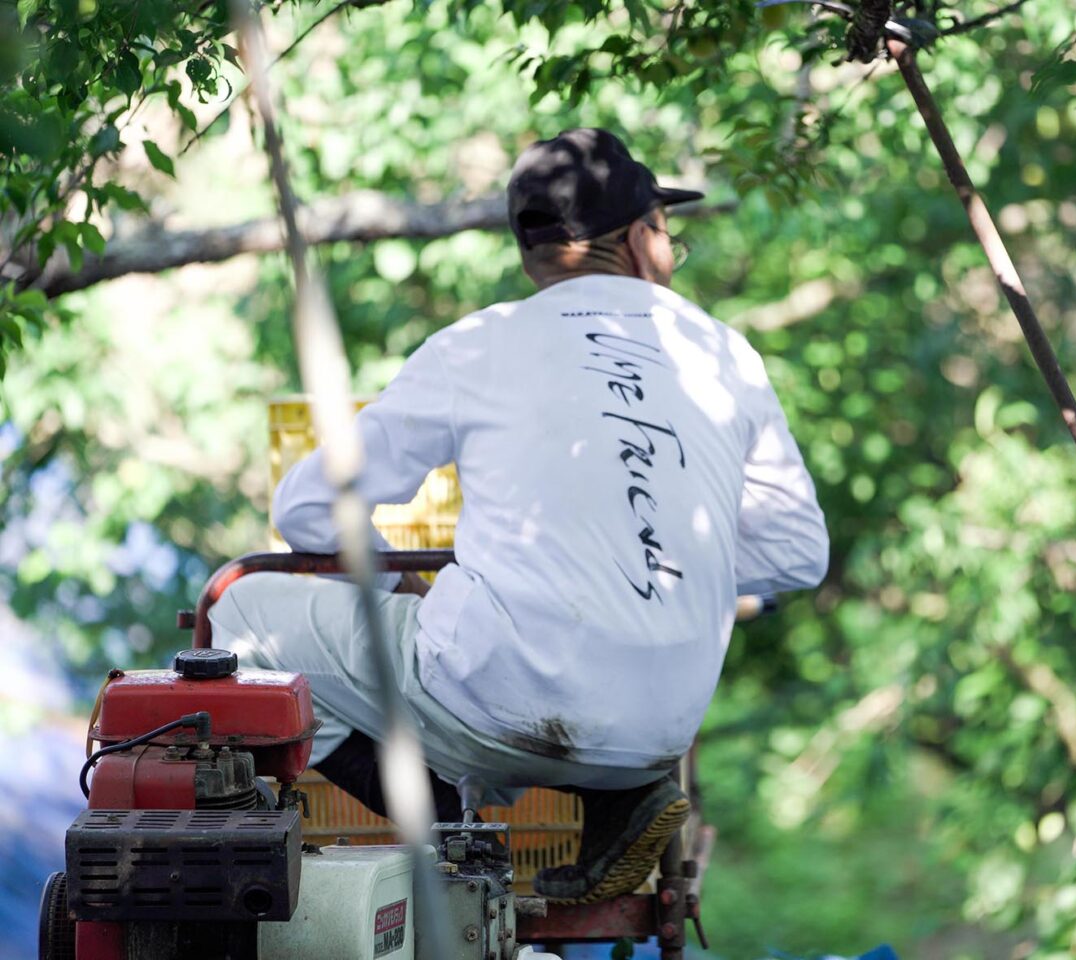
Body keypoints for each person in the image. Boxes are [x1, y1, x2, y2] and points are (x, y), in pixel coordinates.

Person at [210, 127, 829, 903]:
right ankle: (614, 800)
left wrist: (406, 591)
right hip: (660, 733)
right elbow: (800, 553)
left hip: (489, 709)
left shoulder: (478, 345)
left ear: (533, 253)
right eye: (670, 233)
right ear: (641, 240)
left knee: (242, 610)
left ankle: (451, 833)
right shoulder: (726, 354)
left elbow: (306, 506)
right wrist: (665, 559)